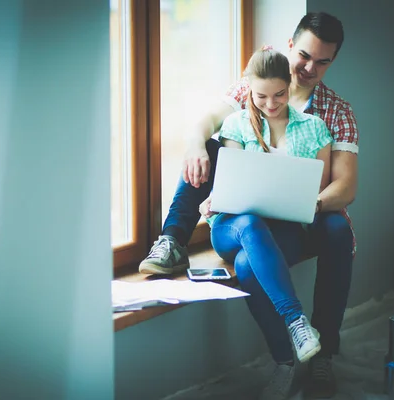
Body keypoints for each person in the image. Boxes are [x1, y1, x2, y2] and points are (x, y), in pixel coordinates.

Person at [139, 12, 357, 399]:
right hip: (245, 219)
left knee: (337, 230)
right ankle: (173, 239)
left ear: (333, 60)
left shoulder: (331, 115)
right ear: (291, 46)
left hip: (302, 217)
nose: (310, 68)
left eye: (323, 61)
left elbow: (344, 187)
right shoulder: (256, 90)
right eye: (305, 55)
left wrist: (301, 201)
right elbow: (216, 135)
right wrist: (197, 151)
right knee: (209, 151)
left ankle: (318, 356)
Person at [202, 46, 332, 399]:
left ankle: (284, 363)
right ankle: (296, 322)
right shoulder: (236, 124)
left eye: (279, 94)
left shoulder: (313, 128)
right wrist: (215, 198)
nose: (271, 104)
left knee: (248, 266)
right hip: (232, 226)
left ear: (289, 86)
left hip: (285, 231)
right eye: (261, 96)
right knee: (248, 224)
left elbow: (314, 191)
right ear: (247, 89)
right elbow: (231, 184)